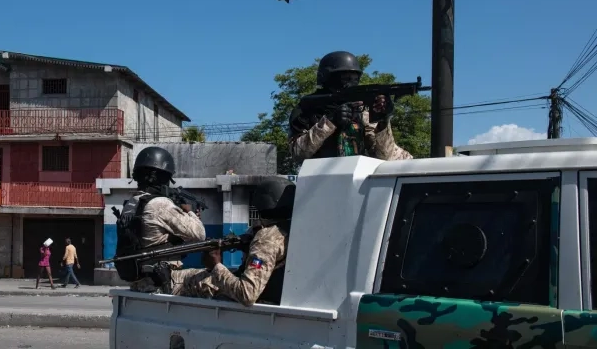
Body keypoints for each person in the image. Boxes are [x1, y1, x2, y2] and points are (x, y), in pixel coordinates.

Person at [179, 177, 295, 306]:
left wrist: (215, 266)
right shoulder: (291, 229)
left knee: (187, 280)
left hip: (260, 300)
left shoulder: (266, 238)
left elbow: (247, 294)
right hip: (277, 294)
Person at [289, 50, 412, 163]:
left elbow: (385, 156)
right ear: (327, 78)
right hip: (320, 180)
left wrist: (383, 120)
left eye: (355, 79)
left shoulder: (362, 112)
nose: (351, 83)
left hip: (357, 179)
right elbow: (297, 153)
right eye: (345, 78)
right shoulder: (307, 109)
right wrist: (330, 122)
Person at [114, 146, 207, 294]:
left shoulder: (131, 204)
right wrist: (190, 212)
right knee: (212, 277)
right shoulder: (160, 204)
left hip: (140, 281)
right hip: (164, 280)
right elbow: (199, 234)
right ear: (160, 177)